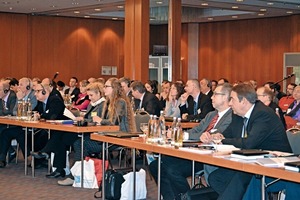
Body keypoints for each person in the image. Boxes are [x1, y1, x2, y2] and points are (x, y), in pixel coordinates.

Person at [204, 83, 291, 200]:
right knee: (216, 177)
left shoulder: (263, 114)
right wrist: (213, 136)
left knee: (240, 179)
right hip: (250, 161)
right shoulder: (238, 114)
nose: (230, 103)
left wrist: (223, 140)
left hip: (275, 165)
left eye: (232, 99)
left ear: (243, 101)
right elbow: (227, 134)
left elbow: (249, 143)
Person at [149, 83, 233, 200]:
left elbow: (211, 135)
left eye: (215, 95)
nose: (211, 97)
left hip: (208, 157)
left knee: (172, 170)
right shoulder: (211, 114)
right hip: (194, 151)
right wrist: (182, 134)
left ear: (225, 97)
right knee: (155, 165)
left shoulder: (232, 116)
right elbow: (197, 130)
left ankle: (186, 197)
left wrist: (184, 135)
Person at [58, 78, 136, 186]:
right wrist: (90, 120)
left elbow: (114, 122)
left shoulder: (120, 102)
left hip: (119, 137)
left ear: (114, 88)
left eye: (106, 87)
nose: (104, 88)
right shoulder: (109, 101)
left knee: (82, 144)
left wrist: (100, 120)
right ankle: (79, 174)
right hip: (108, 135)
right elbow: (102, 120)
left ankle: (75, 175)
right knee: (79, 142)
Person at [0, 78, 37, 167]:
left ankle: (29, 157)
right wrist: (20, 100)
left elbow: (29, 111)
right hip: (20, 125)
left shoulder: (33, 95)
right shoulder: (19, 95)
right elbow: (14, 112)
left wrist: (20, 100)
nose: (18, 87)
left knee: (20, 134)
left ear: (28, 87)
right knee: (5, 133)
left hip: (33, 126)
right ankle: (2, 159)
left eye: (21, 85)